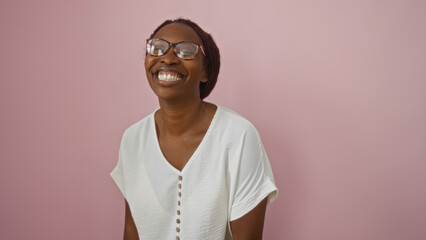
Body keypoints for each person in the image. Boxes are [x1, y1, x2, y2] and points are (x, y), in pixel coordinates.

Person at [110, 18, 278, 240]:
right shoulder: (132, 140)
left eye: (185, 51)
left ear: (205, 71)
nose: (167, 58)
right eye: (157, 47)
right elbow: (133, 232)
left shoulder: (239, 136)